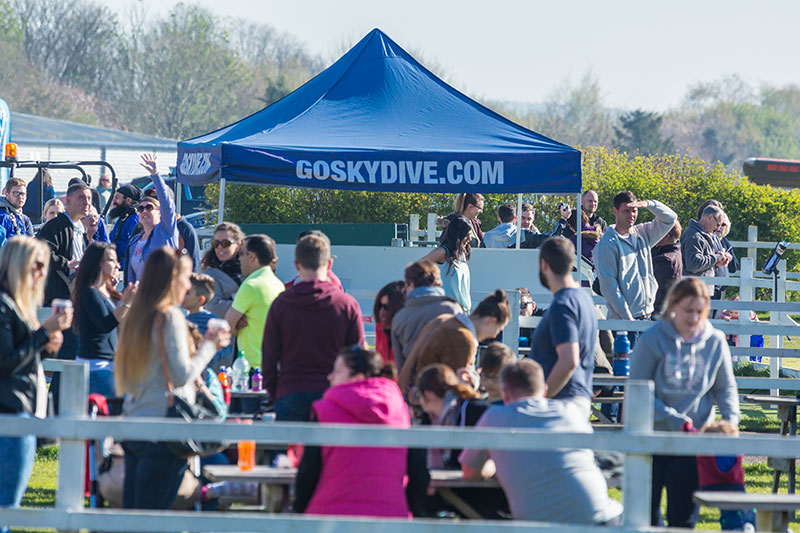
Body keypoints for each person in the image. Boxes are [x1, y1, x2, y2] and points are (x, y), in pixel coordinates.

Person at [114, 246, 230, 510]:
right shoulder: (170, 317)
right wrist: (210, 345)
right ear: (173, 278)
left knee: (133, 516)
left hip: (133, 425)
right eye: (187, 277)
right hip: (162, 431)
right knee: (152, 517)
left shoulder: (136, 317)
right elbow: (180, 377)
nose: (188, 284)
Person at [629, 277, 739, 528]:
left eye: (699, 312)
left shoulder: (715, 341)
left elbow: (725, 387)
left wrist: (731, 423)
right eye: (688, 310)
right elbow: (638, 392)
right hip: (651, 438)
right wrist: (673, 420)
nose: (693, 318)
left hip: (694, 440)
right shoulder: (652, 340)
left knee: (684, 517)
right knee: (645, 515)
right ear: (673, 305)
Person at [459, 359, 622, 525]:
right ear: (544, 390)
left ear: (504, 392)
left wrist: (494, 465)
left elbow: (469, 472)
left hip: (541, 525)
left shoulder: (493, 417)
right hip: (603, 519)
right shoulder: (570, 411)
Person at [293, 346, 427, 518]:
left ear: (357, 378)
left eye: (337, 371)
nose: (330, 377)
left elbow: (308, 473)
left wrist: (298, 511)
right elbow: (419, 473)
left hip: (331, 519)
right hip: (390, 518)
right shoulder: (400, 410)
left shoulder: (324, 412)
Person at [0, 237, 72, 519]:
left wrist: (43, 345)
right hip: (10, 415)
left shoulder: (13, 303)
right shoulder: (5, 305)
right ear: (19, 265)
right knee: (7, 507)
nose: (43, 272)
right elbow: (5, 363)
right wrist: (43, 333)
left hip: (19, 412)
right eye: (38, 265)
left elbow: (18, 359)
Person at [262, 233, 365, 422]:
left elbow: (268, 356)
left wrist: (275, 392)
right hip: (334, 396)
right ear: (329, 264)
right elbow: (358, 357)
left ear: (297, 265)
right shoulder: (346, 305)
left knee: (290, 452)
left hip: (290, 392)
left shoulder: (281, 304)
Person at [414, 363, 509, 519]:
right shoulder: (429, 419)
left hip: (483, 494)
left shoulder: (475, 410)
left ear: (428, 395)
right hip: (450, 492)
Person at [594, 190, 678, 346]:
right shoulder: (607, 244)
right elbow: (609, 286)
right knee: (625, 369)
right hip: (624, 322)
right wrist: (627, 318)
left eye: (634, 210)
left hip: (647, 317)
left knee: (646, 369)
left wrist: (648, 204)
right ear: (614, 211)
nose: (631, 215)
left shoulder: (642, 233)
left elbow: (671, 218)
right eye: (626, 210)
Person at [531, 237, 598, 415]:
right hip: (578, 398)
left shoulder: (562, 305)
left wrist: (541, 398)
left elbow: (569, 360)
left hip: (561, 404)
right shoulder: (584, 299)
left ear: (544, 265)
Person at [397, 290, 510, 394]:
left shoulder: (447, 320)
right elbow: (455, 391)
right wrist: (476, 381)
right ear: (491, 321)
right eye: (498, 329)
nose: (494, 335)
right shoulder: (463, 339)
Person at [71, 242, 136, 397]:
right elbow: (106, 324)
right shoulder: (89, 292)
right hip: (96, 368)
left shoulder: (107, 293)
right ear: (99, 263)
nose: (118, 265)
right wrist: (126, 302)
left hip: (110, 367)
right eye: (112, 260)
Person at [225, 234, 285, 368]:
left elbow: (227, 327)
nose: (238, 258)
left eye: (241, 253)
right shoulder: (278, 284)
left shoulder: (250, 285)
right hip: (274, 365)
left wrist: (236, 325)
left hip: (251, 368)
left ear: (251, 256)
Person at [391, 260, 463, 371]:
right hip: (447, 382)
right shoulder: (453, 310)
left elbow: (400, 364)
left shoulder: (400, 317)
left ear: (411, 284)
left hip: (414, 383)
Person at [125, 154, 179, 285]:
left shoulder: (166, 231)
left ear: (160, 213)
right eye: (140, 209)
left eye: (149, 207)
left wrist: (155, 174)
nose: (144, 211)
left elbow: (167, 204)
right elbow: (129, 277)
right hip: (140, 299)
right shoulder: (134, 241)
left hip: (162, 297)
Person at [37, 181, 94, 305]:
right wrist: (66, 263)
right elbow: (38, 254)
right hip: (58, 299)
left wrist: (90, 235)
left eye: (89, 198)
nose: (87, 202)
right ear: (67, 200)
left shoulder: (82, 227)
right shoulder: (55, 226)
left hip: (78, 294)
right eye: (81, 198)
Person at [697, 420, 755, 531]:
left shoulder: (705, 456)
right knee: (746, 510)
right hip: (734, 486)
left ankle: (737, 527)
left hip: (710, 486)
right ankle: (746, 526)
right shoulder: (733, 454)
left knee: (731, 511)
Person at [421, 215, 472, 313]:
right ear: (458, 235)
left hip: (462, 313)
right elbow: (416, 268)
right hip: (445, 313)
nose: (469, 239)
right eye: (466, 235)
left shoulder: (462, 254)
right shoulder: (442, 252)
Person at [143, 187, 200, 269]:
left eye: (158, 199)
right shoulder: (142, 227)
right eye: (151, 199)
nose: (153, 202)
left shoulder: (184, 228)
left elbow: (193, 263)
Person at [183, 273, 230, 372]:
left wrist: (208, 354)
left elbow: (226, 349)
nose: (182, 294)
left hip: (203, 371)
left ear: (200, 300)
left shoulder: (210, 321)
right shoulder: (183, 319)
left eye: (187, 293)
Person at [200, 222, 245, 317]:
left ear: (239, 244)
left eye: (225, 243)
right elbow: (213, 307)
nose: (220, 247)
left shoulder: (249, 268)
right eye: (216, 243)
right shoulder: (210, 273)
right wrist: (247, 307)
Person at [682, 204, 730, 285]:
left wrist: (717, 264)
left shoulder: (702, 235)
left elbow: (702, 266)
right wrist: (716, 258)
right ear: (710, 217)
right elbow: (693, 265)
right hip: (694, 290)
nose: (718, 228)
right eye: (718, 224)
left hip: (700, 288)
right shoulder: (694, 236)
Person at [108, 184, 143, 273]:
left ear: (128, 200)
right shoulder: (124, 217)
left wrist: (124, 267)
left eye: (117, 197)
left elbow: (135, 247)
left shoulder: (134, 219)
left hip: (125, 270)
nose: (114, 201)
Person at [652, 222, 683, 317]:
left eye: (657, 232)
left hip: (657, 311)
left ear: (666, 235)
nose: (653, 235)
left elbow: (654, 286)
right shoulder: (674, 251)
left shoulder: (665, 259)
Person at [373, 281, 405, 365]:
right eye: (380, 306)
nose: (381, 311)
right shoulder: (380, 327)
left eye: (386, 307)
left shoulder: (408, 329)